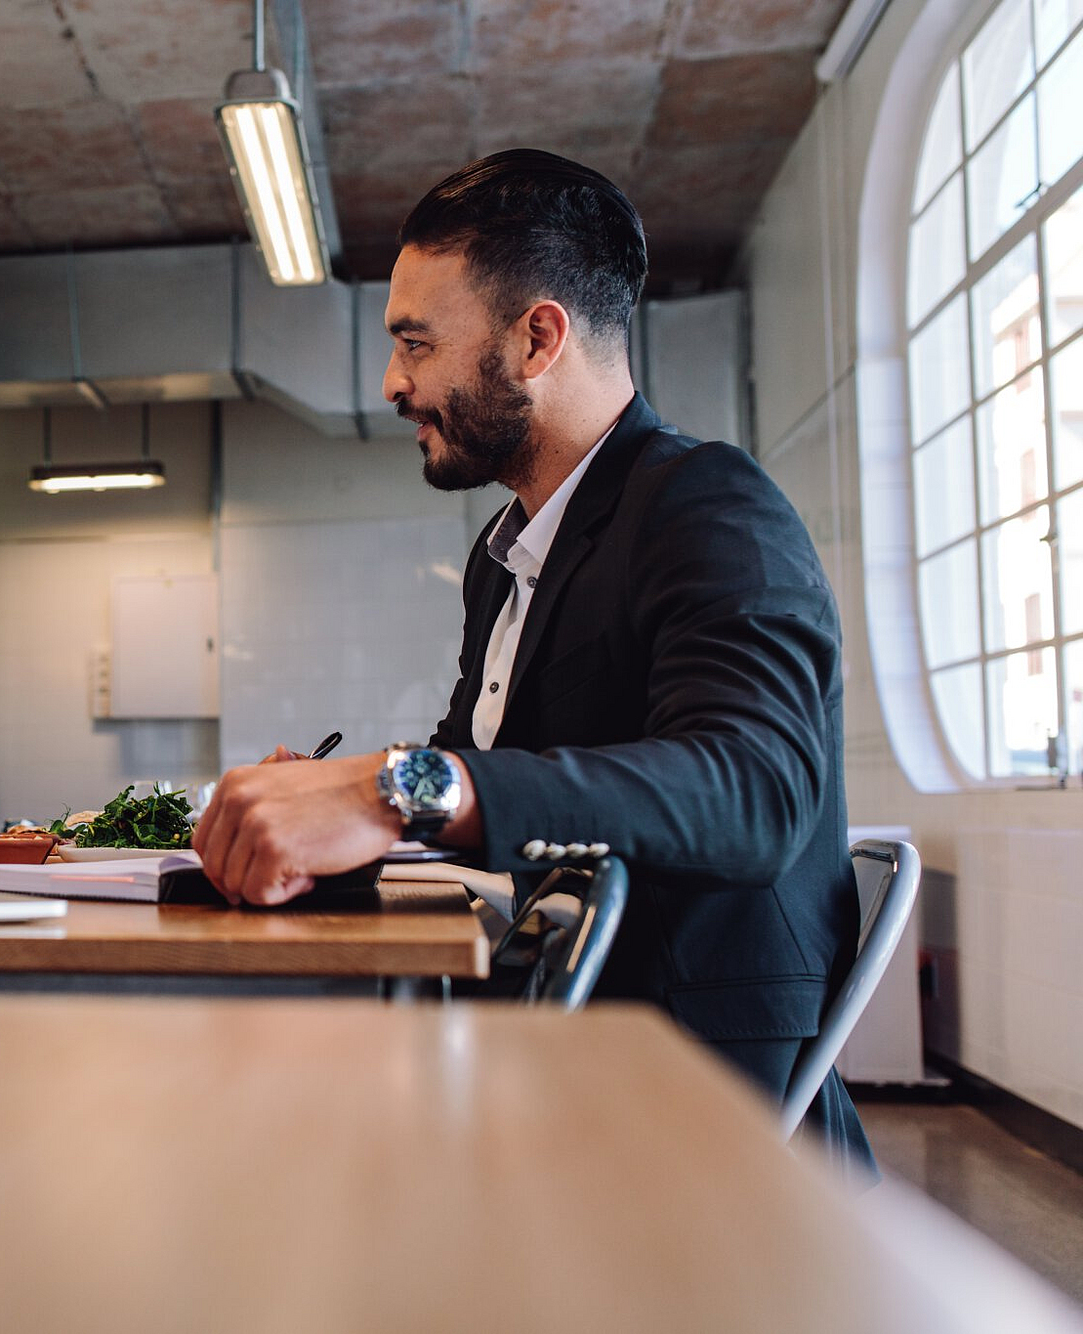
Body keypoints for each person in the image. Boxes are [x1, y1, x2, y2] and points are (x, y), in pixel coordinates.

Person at [191, 150, 873, 1173]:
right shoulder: (506, 549)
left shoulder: (707, 503)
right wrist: (331, 793)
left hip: (689, 1085)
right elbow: (481, 769)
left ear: (536, 336)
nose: (392, 383)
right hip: (560, 1022)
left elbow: (753, 789)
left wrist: (393, 789)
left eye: (415, 343)